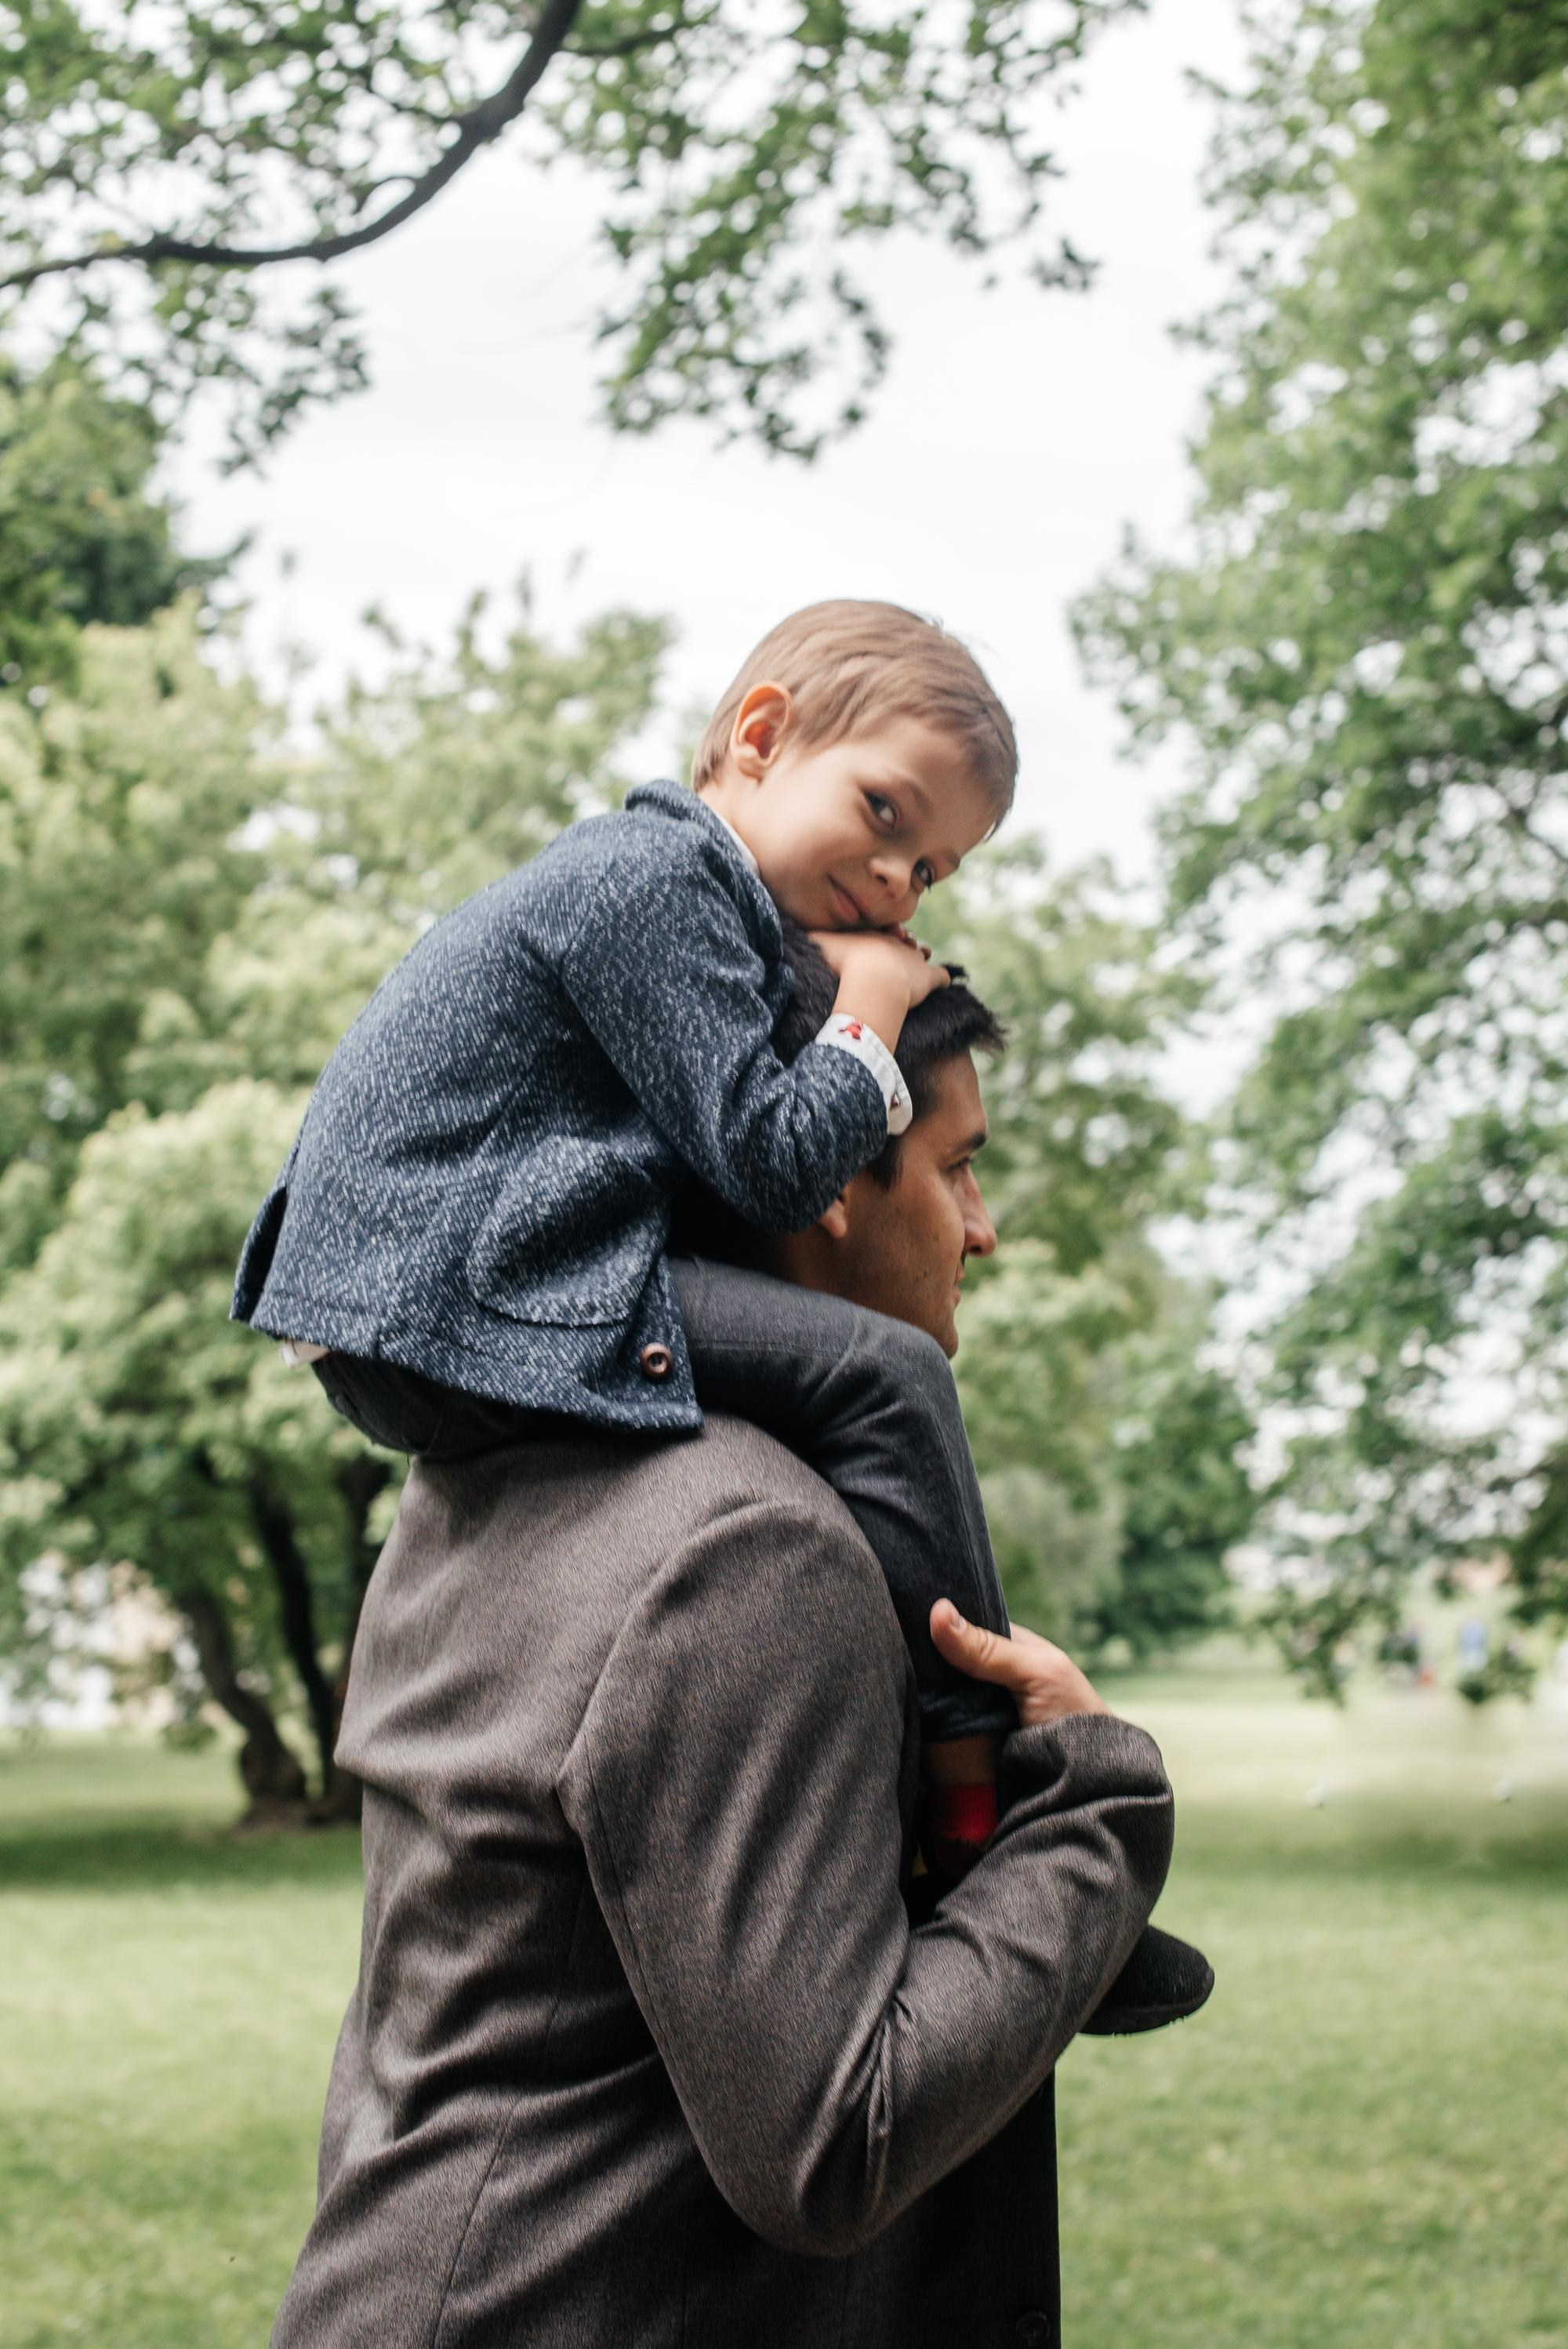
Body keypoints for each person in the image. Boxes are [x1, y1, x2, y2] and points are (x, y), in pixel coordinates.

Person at [269, 964, 1180, 2349]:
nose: (983, 1232)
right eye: (958, 1169)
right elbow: (839, 2140)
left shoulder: (491, 1479)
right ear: (828, 1182)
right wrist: (1097, 1811)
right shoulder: (749, 1549)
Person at [234, 599, 1022, 1882]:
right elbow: (770, 1165)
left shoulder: (686, 899)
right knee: (886, 1378)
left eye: (929, 872)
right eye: (886, 815)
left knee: (817, 1385)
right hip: (447, 1288)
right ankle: (982, 1797)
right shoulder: (645, 877)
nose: (895, 885)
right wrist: (873, 1011)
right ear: (759, 737)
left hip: (466, 1279)